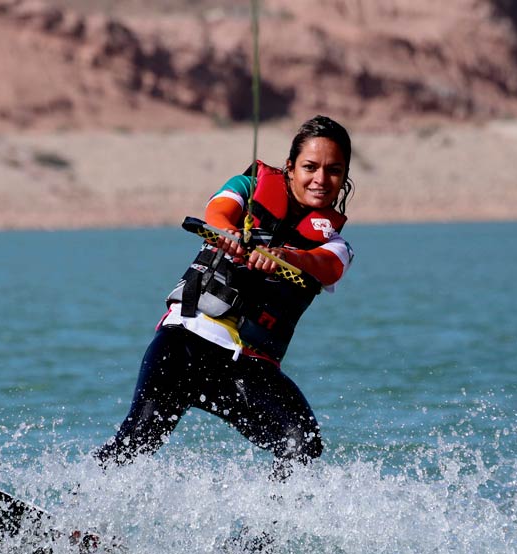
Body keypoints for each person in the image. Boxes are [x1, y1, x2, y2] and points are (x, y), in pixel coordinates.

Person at [94, 116, 354, 480]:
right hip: (185, 342)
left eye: (333, 171)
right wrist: (231, 234)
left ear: (344, 177)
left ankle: (263, 520)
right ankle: (77, 508)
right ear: (290, 167)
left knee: (303, 443)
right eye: (310, 167)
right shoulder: (249, 187)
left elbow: (325, 266)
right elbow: (217, 210)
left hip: (247, 369)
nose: (320, 179)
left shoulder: (336, 246)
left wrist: (284, 257)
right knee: (139, 436)